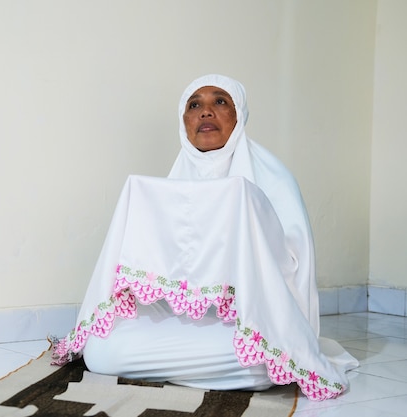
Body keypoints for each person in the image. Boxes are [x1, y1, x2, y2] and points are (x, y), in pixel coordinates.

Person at [52, 74, 358, 401]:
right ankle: (206, 369)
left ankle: (196, 367)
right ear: (184, 121)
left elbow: (294, 269)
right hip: (184, 320)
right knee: (100, 351)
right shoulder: (172, 183)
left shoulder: (272, 177)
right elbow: (157, 275)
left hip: (254, 315)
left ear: (239, 115)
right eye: (195, 104)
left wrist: (246, 225)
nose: (206, 112)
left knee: (262, 358)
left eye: (220, 102)